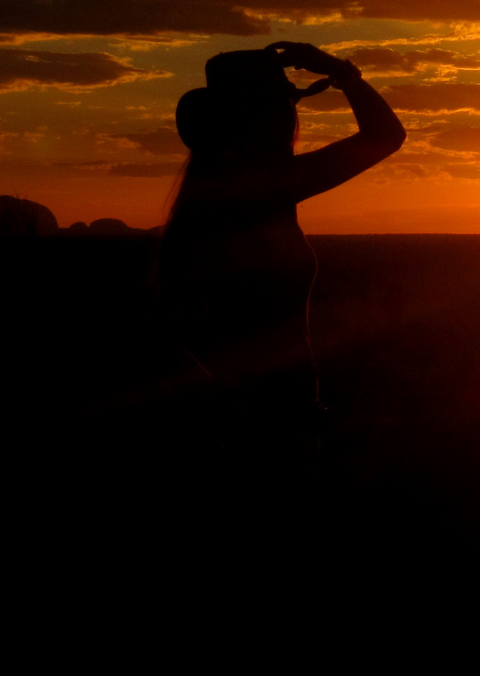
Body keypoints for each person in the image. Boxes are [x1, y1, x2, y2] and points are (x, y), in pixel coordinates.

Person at [156, 41, 405, 458]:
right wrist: (340, 72)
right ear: (267, 116)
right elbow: (385, 136)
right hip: (266, 421)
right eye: (283, 103)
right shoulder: (263, 187)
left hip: (249, 416)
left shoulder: (216, 191)